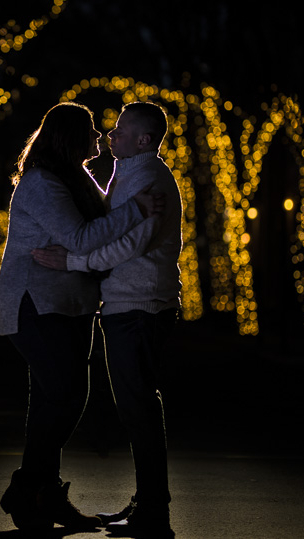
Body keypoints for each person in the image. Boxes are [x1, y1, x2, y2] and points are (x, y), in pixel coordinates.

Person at [0, 102, 163, 532]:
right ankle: (28, 486)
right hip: (36, 304)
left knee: (53, 400)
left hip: (72, 305)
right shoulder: (40, 183)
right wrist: (137, 210)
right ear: (69, 136)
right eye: (90, 129)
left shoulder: (78, 178)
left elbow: (98, 230)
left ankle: (40, 498)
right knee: (66, 397)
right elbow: (83, 238)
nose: (100, 136)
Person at [33, 101, 182, 538]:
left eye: (119, 129)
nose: (110, 135)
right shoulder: (133, 172)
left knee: (138, 408)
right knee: (136, 408)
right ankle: (148, 502)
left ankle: (154, 509)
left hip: (140, 306)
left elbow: (129, 245)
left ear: (144, 139)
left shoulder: (149, 176)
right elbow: (115, 223)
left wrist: (73, 261)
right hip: (129, 304)